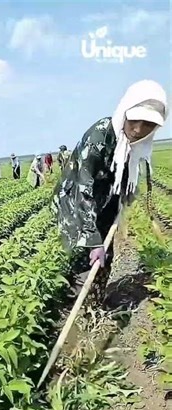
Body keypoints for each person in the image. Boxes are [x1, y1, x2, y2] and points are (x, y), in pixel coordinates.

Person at [52, 79, 168, 306]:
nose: (138, 130)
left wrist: (125, 195)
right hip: (77, 201)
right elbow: (83, 186)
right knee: (84, 256)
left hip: (105, 200)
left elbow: (125, 174)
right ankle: (78, 308)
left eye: (148, 124)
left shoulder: (136, 144)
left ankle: (94, 304)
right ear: (125, 111)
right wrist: (92, 239)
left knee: (106, 256)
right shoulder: (100, 136)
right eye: (135, 120)